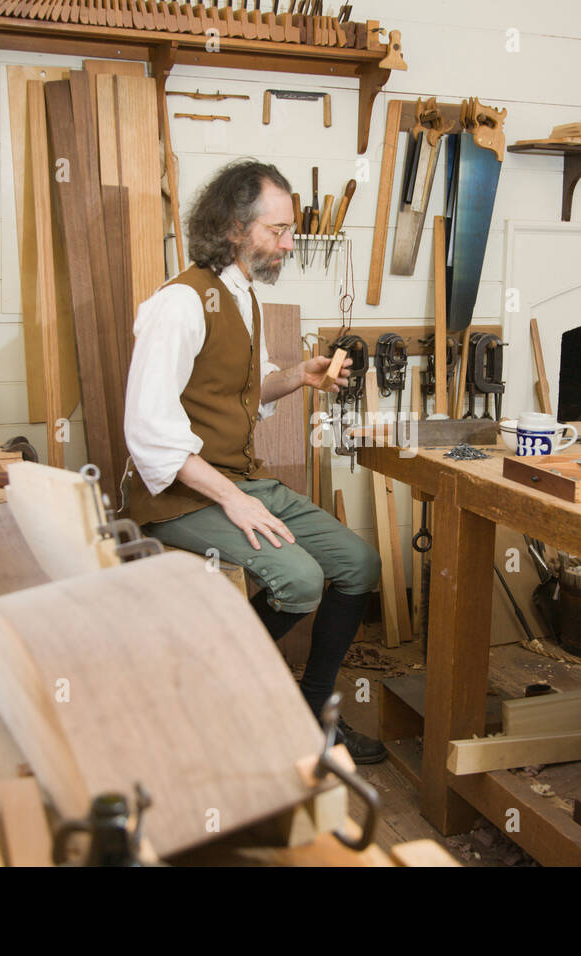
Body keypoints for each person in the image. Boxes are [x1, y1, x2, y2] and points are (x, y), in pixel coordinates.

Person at [124, 159, 386, 763]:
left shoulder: (242, 296)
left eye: (290, 230)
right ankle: (215, 695)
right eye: (279, 231)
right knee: (300, 580)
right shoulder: (179, 305)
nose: (289, 244)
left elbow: (242, 389)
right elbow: (148, 434)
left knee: (358, 564)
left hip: (236, 478)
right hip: (176, 495)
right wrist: (234, 500)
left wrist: (298, 376)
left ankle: (310, 712)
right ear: (235, 228)